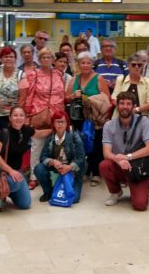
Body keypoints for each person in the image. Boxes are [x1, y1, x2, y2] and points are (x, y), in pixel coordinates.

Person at [100, 92, 149, 211]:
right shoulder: (109, 125)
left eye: (128, 104)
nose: (125, 106)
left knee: (140, 205)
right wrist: (119, 160)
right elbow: (106, 153)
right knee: (104, 165)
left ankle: (136, 188)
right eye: (122, 103)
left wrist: (128, 157)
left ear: (134, 106)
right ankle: (116, 192)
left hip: (138, 167)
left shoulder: (144, 121)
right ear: (117, 106)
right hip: (120, 165)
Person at [66, 51, 110, 186]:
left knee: (95, 144)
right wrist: (72, 96)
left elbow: (107, 99)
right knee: (80, 144)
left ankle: (96, 173)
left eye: (88, 63)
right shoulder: (74, 79)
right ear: (78, 64)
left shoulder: (99, 79)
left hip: (94, 118)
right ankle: (84, 171)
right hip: (77, 117)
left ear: (92, 64)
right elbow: (65, 98)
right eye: (82, 63)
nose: (85, 65)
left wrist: (87, 98)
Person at [25, 48, 66, 190]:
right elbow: (29, 95)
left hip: (57, 114)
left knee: (57, 145)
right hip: (39, 113)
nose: (46, 59)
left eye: (49, 57)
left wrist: (62, 114)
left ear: (53, 59)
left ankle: (56, 174)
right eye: (43, 57)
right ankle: (34, 176)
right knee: (37, 146)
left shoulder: (58, 74)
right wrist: (28, 115)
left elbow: (61, 95)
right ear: (39, 59)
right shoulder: (33, 74)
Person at [34, 111, 87, 203]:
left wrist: (69, 167)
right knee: (39, 168)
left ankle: (76, 182)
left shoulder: (74, 136)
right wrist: (53, 161)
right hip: (57, 166)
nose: (60, 124)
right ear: (53, 123)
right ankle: (48, 191)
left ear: (67, 123)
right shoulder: (50, 138)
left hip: (71, 167)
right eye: (57, 121)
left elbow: (81, 157)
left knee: (73, 199)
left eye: (62, 121)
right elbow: (43, 157)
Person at [0, 106, 33, 212]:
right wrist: (11, 171)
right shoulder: (4, 132)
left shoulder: (27, 130)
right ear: (10, 118)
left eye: (21, 115)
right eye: (15, 115)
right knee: (16, 182)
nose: (18, 118)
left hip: (16, 171)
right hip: (2, 172)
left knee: (25, 204)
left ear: (25, 118)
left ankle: (7, 191)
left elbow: (40, 133)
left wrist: (56, 128)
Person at [0, 47, 27, 130]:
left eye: (11, 57)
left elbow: (23, 98)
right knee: (2, 136)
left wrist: (16, 115)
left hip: (14, 116)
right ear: (1, 59)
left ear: (15, 59)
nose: (8, 59)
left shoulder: (21, 74)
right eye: (6, 56)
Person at [112, 53, 149, 119]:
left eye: (139, 65)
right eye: (133, 65)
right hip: (121, 116)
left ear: (142, 66)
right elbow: (114, 99)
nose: (136, 67)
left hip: (141, 118)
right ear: (128, 66)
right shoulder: (120, 79)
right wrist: (124, 109)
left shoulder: (148, 82)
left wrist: (135, 110)